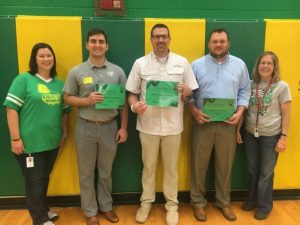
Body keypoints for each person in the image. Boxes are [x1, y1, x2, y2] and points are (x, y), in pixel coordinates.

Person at [126, 23, 198, 225]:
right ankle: (146, 203)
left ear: (169, 39)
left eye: (164, 36)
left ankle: (172, 206)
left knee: (171, 168)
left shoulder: (182, 62)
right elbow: (131, 92)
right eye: (156, 36)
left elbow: (190, 91)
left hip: (173, 126)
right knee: (148, 167)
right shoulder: (140, 64)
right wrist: (134, 107)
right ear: (151, 40)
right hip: (147, 125)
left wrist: (186, 91)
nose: (160, 40)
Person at [63, 28, 128, 225]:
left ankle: (106, 207)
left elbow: (124, 103)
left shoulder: (117, 71)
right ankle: (90, 211)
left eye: (101, 41)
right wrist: (87, 100)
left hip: (110, 127)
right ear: (87, 45)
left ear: (106, 46)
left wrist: (123, 128)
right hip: (86, 128)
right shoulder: (77, 71)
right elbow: (67, 98)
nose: (97, 45)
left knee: (106, 172)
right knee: (86, 173)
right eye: (93, 41)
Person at [187, 28, 251, 222]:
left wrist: (239, 113)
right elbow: (188, 95)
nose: (218, 44)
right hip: (202, 123)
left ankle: (223, 202)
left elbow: (245, 92)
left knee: (225, 165)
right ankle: (198, 203)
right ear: (209, 44)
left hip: (228, 123)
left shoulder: (240, 65)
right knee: (199, 166)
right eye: (215, 41)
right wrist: (194, 112)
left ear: (228, 43)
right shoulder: (196, 65)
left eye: (222, 41)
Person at [4, 43, 70, 225]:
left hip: (52, 142)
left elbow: (65, 111)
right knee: (34, 181)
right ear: (34, 59)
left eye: (49, 55)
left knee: (43, 178)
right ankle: (39, 219)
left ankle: (43, 210)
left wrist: (64, 133)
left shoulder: (59, 84)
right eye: (41, 56)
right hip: (29, 143)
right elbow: (11, 109)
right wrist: (15, 139)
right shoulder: (23, 79)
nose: (46, 59)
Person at [236, 51, 291, 220]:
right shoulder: (250, 84)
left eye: (269, 63)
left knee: (266, 173)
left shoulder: (282, 86)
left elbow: (287, 114)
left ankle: (265, 205)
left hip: (271, 136)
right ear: (257, 66)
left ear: (275, 67)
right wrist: (238, 130)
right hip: (251, 133)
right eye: (262, 63)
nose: (265, 66)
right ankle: (252, 200)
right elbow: (243, 109)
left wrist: (283, 137)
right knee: (253, 170)